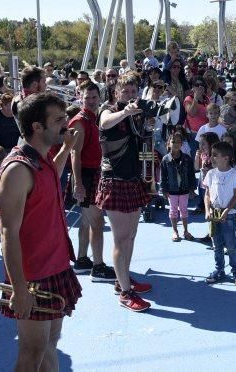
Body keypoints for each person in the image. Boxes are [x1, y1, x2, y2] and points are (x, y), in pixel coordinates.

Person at [0, 92, 82, 371]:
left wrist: (66, 149)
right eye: (58, 120)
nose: (66, 124)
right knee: (32, 353)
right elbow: (8, 233)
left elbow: (48, 178)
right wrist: (19, 288)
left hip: (55, 266)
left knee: (50, 345)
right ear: (37, 127)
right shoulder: (17, 170)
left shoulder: (41, 158)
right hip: (33, 276)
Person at [95, 73, 153, 312]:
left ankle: (124, 280)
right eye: (125, 91)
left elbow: (145, 145)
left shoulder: (139, 116)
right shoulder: (107, 110)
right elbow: (104, 123)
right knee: (120, 238)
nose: (130, 95)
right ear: (116, 92)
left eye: (133, 91)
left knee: (131, 236)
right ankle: (124, 292)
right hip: (114, 181)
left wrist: (150, 178)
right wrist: (127, 111)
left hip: (134, 180)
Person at [69, 82, 116, 283]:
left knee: (87, 221)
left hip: (94, 174)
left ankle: (81, 260)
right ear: (81, 98)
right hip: (87, 176)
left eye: (94, 97)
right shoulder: (80, 121)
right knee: (97, 223)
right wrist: (78, 183)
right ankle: (98, 266)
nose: (90, 101)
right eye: (87, 97)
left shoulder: (93, 119)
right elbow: (74, 154)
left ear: (99, 97)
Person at [203, 141, 236, 287]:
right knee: (217, 245)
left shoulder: (234, 174)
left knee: (231, 245)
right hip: (214, 214)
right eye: (211, 155)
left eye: (215, 155)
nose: (211, 157)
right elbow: (207, 194)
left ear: (226, 158)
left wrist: (227, 210)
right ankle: (219, 270)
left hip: (229, 215)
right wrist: (208, 210)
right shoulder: (210, 173)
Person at [160, 132, 197, 242]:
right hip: (172, 190)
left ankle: (186, 230)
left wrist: (192, 189)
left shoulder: (187, 158)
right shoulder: (165, 159)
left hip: (184, 189)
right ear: (169, 143)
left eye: (178, 142)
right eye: (173, 141)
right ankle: (175, 231)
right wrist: (164, 190)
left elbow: (191, 174)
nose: (176, 144)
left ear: (182, 144)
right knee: (173, 210)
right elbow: (163, 176)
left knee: (184, 210)